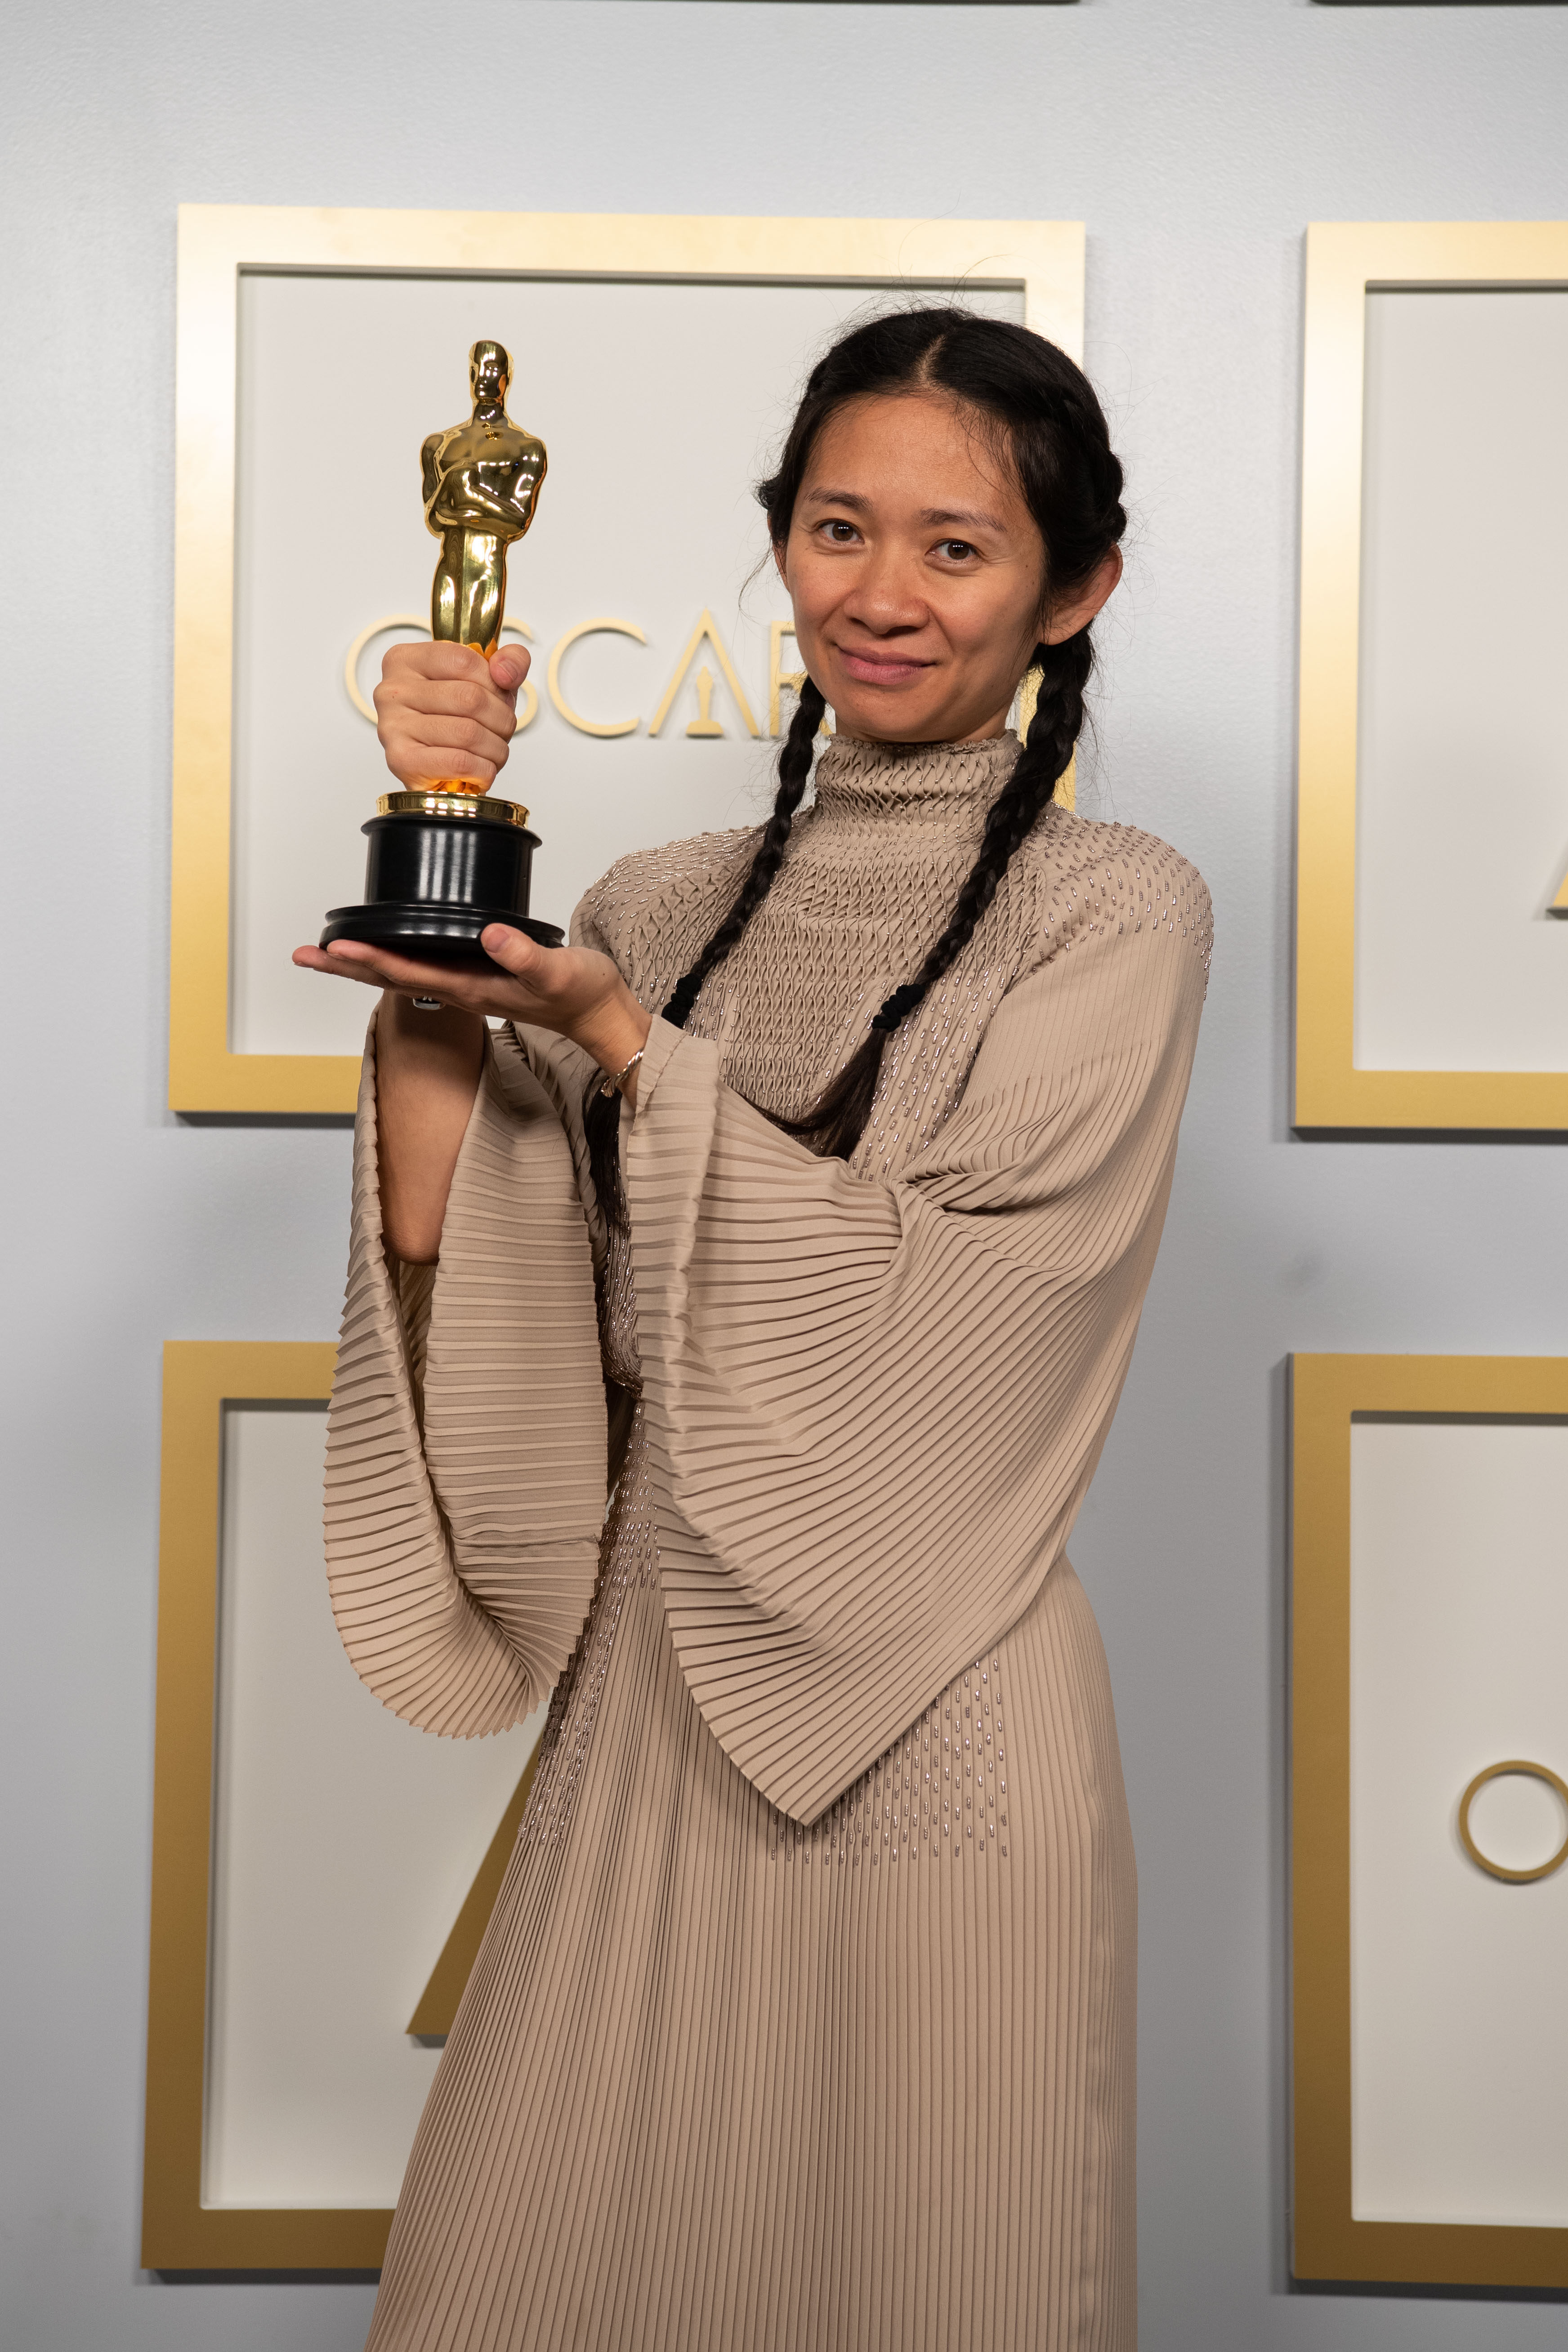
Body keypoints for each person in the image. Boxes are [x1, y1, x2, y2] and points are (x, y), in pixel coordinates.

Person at [295, 307, 1211, 2352]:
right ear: (778, 542)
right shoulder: (662, 889)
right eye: (834, 528)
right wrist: (440, 958)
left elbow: (958, 1338)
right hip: (656, 1693)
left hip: (933, 1722)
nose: (880, 596)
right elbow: (486, 1265)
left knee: (923, 2277)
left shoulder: (1114, 908)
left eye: (956, 549)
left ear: (1076, 590)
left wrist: (622, 1044)